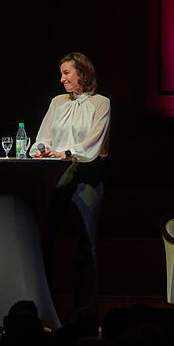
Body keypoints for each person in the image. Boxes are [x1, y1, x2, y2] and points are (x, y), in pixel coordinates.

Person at [30, 52, 111, 314]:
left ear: (82, 74)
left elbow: (92, 144)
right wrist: (42, 149)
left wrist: (65, 152)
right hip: (58, 176)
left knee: (86, 247)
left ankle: (84, 313)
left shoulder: (101, 103)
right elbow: (43, 137)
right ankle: (44, 308)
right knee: (47, 242)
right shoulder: (57, 102)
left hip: (87, 177)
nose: (61, 78)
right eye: (62, 73)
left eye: (66, 73)